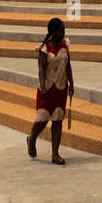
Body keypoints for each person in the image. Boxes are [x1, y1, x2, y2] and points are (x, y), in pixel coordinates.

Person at [27, 17, 74, 166]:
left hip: (61, 88)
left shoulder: (65, 45)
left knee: (58, 120)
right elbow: (41, 70)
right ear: (53, 32)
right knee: (42, 120)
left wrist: (71, 83)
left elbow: (68, 65)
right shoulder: (44, 49)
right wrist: (43, 87)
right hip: (47, 89)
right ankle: (32, 138)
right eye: (61, 30)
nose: (63, 33)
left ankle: (55, 154)